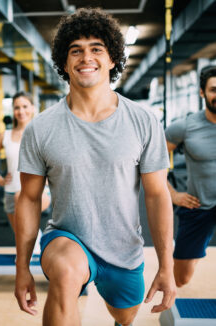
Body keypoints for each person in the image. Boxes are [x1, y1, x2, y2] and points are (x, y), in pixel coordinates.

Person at [14, 8, 176, 326]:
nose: (85, 57)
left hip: (124, 249)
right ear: (64, 62)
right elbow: (29, 199)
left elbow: (157, 195)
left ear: (112, 58)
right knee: (64, 273)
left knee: (125, 315)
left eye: (96, 49)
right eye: (76, 50)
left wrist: (166, 265)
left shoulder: (142, 121)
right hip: (67, 238)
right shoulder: (41, 128)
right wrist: (22, 268)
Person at [165, 66, 216, 288]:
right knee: (181, 278)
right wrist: (173, 194)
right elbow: (149, 162)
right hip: (199, 205)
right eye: (214, 89)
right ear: (202, 92)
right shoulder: (185, 127)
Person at [0, 91, 51, 233]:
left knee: (26, 232)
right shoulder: (4, 136)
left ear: (32, 108)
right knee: (19, 237)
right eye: (17, 108)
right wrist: (0, 180)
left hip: (36, 191)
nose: (21, 111)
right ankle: (33, 243)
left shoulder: (42, 133)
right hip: (10, 191)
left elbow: (54, 161)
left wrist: (48, 179)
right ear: (13, 110)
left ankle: (35, 242)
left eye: (25, 106)